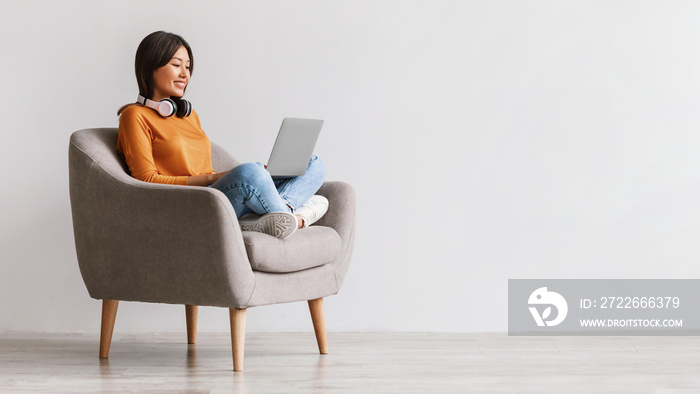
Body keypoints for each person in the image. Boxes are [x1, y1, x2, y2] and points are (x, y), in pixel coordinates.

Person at [116, 31, 328, 239]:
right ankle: (297, 217)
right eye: (176, 65)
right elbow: (146, 180)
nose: (185, 74)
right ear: (151, 66)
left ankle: (276, 215)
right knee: (251, 173)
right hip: (195, 204)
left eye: (188, 67)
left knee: (313, 164)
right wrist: (217, 177)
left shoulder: (189, 116)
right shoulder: (134, 115)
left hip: (219, 194)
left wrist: (231, 176)